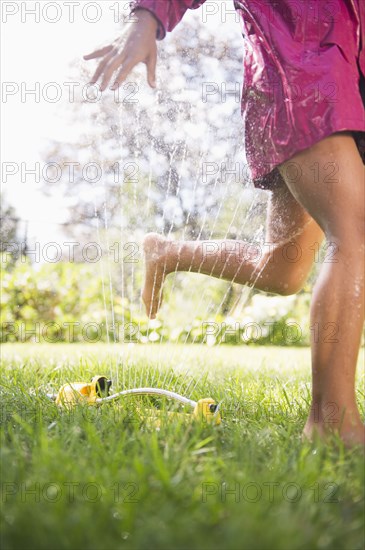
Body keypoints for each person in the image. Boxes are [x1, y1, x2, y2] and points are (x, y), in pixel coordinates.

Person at [84, 0, 365, 446]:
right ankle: (331, 423)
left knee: (282, 270)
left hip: (350, 81)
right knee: (354, 234)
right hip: (301, 80)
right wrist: (147, 17)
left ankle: (169, 252)